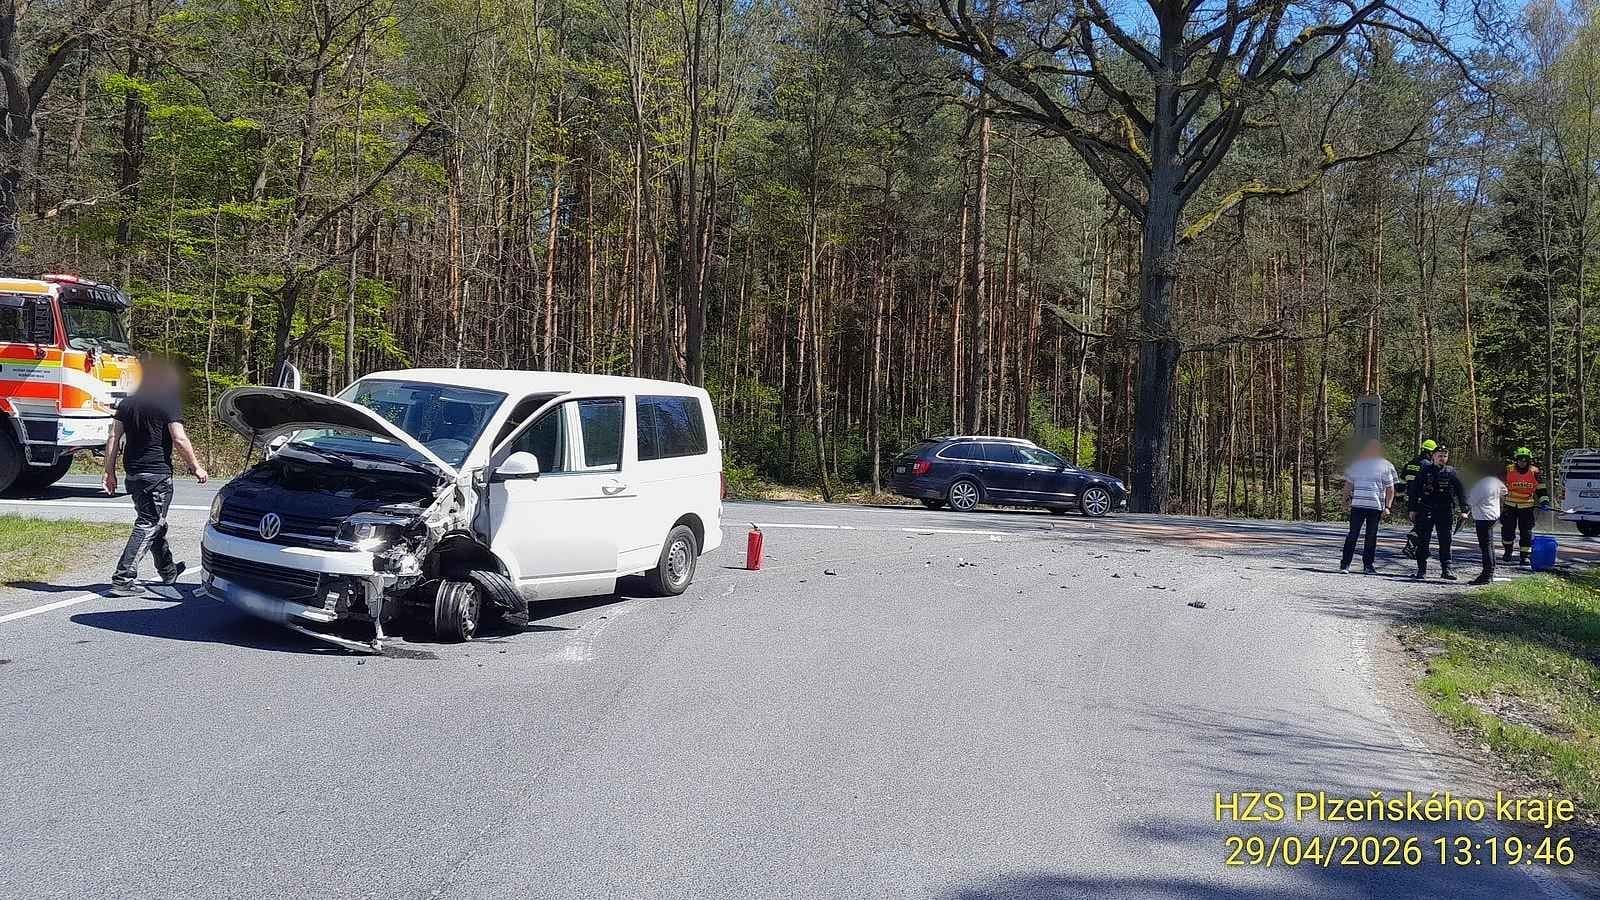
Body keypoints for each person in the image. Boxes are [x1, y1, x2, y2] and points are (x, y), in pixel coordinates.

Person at [103, 359, 208, 596]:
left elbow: (113, 437)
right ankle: (123, 578)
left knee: (154, 521)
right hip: (157, 474)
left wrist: (109, 471)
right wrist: (196, 467)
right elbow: (179, 438)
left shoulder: (127, 404)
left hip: (134, 474)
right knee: (149, 523)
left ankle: (168, 570)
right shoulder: (167, 403)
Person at [1407, 444, 1468, 581]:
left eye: (1445, 456)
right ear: (1433, 456)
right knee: (1423, 541)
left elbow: (1461, 492)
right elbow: (1414, 491)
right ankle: (1421, 570)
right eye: (1439, 455)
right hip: (1426, 509)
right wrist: (1412, 509)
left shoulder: (1452, 472)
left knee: (1446, 541)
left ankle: (1447, 570)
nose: (1442, 458)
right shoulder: (1424, 470)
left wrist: (1464, 510)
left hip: (1445, 510)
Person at [1339, 439, 1397, 575]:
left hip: (1376, 507)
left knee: (1371, 537)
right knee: (1352, 535)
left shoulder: (1386, 466)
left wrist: (1387, 507)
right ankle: (1345, 564)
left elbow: (1390, 488)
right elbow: (1348, 485)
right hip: (1357, 506)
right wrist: (1344, 501)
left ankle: (1368, 565)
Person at [1500, 447, 1548, 567]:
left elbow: (1541, 489)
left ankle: (1524, 556)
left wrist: (1544, 502)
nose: (1522, 462)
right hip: (1510, 506)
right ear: (1516, 460)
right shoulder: (1508, 470)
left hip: (1527, 506)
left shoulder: (1535, 472)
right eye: (1520, 460)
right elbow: (1498, 484)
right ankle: (1508, 551)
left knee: (1526, 532)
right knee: (1507, 530)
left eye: (1525, 460)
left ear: (1529, 461)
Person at [1465, 461, 1508, 585]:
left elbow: (1471, 501)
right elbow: (1505, 491)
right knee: (1490, 545)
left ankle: (1486, 574)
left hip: (1483, 517)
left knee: (1485, 546)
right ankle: (1490, 572)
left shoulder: (1481, 484)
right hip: (1493, 515)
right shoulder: (1495, 481)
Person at [1401, 439, 1438, 559]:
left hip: (1410, 498)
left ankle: (1422, 550)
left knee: (1420, 523)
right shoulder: (1426, 465)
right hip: (1421, 498)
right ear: (1431, 452)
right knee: (1423, 525)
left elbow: (1402, 481)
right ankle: (1412, 546)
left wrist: (1401, 497)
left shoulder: (1411, 463)